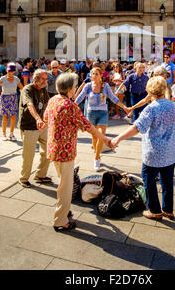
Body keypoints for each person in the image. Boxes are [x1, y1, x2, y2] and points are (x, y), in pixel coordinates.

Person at [44, 73, 112, 232]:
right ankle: (61, 220)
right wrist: (104, 138)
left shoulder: (53, 100)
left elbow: (46, 118)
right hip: (65, 151)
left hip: (53, 148)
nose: (75, 89)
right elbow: (87, 125)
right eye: (74, 87)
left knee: (63, 182)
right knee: (65, 187)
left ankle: (64, 211)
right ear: (68, 89)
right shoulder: (69, 105)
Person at [111, 77, 175, 221]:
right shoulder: (171, 105)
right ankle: (168, 209)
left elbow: (137, 128)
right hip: (171, 150)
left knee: (148, 180)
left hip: (154, 152)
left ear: (149, 91)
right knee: (167, 181)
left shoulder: (151, 108)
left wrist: (118, 138)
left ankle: (154, 210)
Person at [75, 65, 129, 171]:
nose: (93, 76)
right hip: (91, 113)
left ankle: (96, 159)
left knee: (100, 136)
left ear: (100, 76)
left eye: (96, 74)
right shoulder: (88, 86)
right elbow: (80, 97)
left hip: (103, 113)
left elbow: (113, 98)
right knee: (94, 138)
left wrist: (124, 107)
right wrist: (72, 106)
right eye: (92, 74)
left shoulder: (105, 86)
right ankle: (97, 151)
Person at [18, 69, 51, 188]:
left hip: (42, 126)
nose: (44, 82)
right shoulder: (27, 89)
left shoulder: (43, 89)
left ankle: (40, 175)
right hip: (29, 126)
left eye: (46, 79)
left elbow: (47, 104)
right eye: (42, 79)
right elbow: (30, 105)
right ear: (35, 78)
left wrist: (47, 119)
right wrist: (38, 118)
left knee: (48, 150)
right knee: (29, 154)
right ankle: (24, 178)